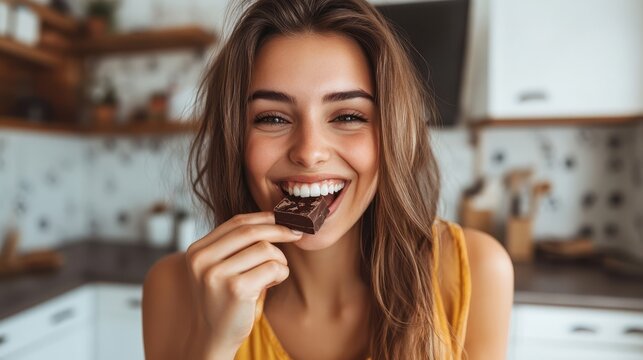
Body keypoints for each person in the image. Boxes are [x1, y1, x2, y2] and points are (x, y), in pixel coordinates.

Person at [142, 0, 513, 359]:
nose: (309, 151)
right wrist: (214, 343)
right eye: (272, 118)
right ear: (234, 137)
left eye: (348, 116)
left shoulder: (475, 273)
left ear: (393, 131)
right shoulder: (174, 289)